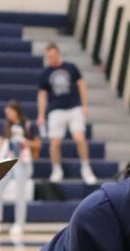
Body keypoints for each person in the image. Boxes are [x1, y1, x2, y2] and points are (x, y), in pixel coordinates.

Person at [38, 42, 96, 185]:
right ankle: (56, 168)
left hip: (74, 106)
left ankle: (86, 167)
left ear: (58, 53)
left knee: (79, 137)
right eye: (48, 57)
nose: (50, 59)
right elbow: (42, 95)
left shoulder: (71, 67)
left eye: (52, 56)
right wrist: (41, 114)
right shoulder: (45, 73)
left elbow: (81, 85)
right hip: (56, 108)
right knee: (55, 141)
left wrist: (84, 104)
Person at [0, 99, 41, 242]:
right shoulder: (8, 126)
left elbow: (37, 144)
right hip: (10, 162)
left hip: (23, 162)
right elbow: (0, 143)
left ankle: (19, 223)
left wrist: (24, 141)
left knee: (19, 193)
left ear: (16, 111)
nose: (8, 115)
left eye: (10, 112)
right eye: (7, 113)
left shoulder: (28, 125)